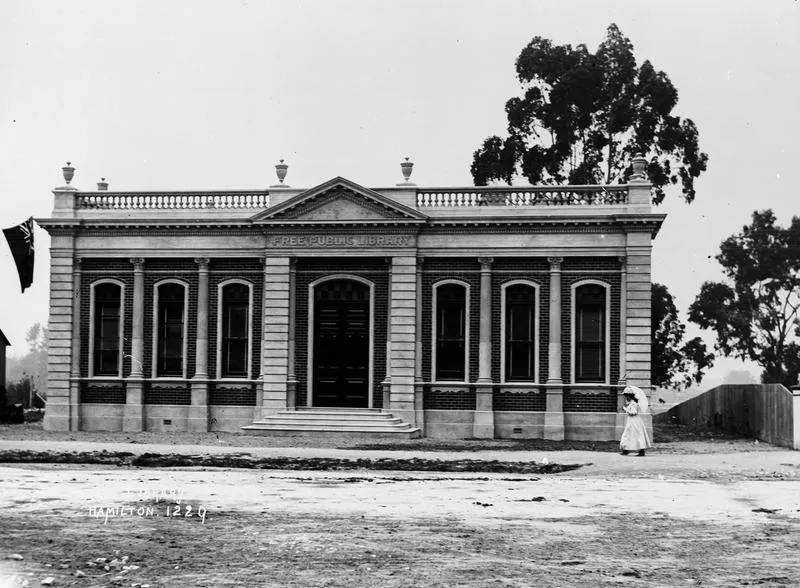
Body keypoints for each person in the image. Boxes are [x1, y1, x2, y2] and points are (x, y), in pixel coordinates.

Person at [619, 385, 652, 456]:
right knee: (628, 434)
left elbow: (633, 413)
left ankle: (641, 450)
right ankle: (626, 449)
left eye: (626, 395)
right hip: (631, 421)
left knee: (636, 435)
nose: (625, 397)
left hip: (635, 421)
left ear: (629, 395)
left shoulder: (634, 403)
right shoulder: (631, 403)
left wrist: (625, 409)